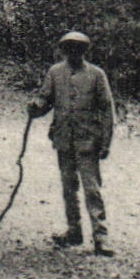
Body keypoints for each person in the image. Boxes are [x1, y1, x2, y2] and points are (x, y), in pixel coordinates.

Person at [27, 31, 116, 256]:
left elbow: (107, 109)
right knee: (68, 188)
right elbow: (45, 99)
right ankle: (74, 232)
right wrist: (36, 106)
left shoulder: (97, 75)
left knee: (92, 190)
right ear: (64, 50)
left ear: (84, 51)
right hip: (64, 139)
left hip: (88, 141)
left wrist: (106, 142)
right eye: (69, 48)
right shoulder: (55, 72)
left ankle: (101, 237)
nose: (73, 52)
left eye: (78, 48)